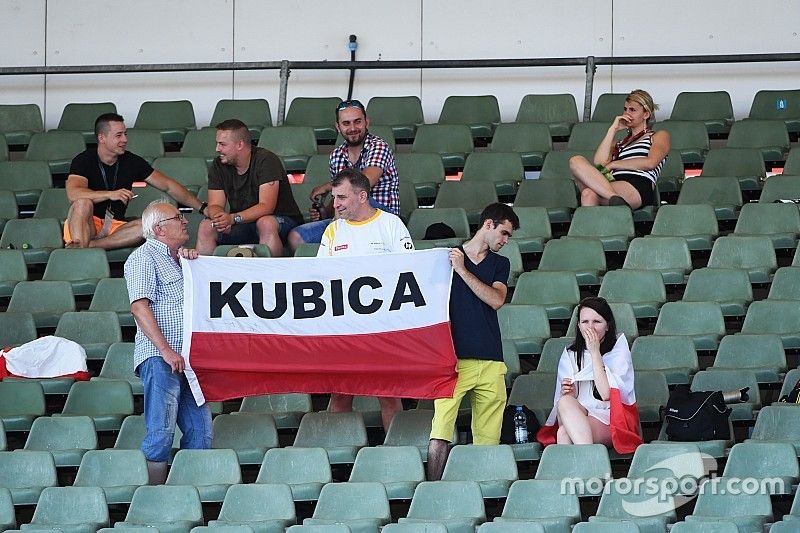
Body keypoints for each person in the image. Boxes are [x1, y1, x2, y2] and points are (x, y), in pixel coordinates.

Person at [427, 203, 520, 481]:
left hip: (491, 359)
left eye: (509, 237)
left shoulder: (500, 263)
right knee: (441, 429)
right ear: (488, 224)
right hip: (453, 360)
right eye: (503, 233)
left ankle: (482, 494)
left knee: (488, 439)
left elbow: (496, 299)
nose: (505, 241)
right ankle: (431, 491)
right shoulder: (445, 256)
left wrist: (462, 270)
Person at [317, 168, 414, 430]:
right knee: (339, 394)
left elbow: (409, 274)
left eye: (341, 198)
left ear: (362, 196)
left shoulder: (391, 224)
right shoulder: (332, 231)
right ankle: (336, 458)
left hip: (382, 327)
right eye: (334, 198)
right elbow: (320, 278)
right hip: (343, 328)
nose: (335, 204)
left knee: (388, 394)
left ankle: (397, 457)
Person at [124, 201, 212, 484]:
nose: (185, 222)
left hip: (189, 360)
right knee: (161, 432)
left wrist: (192, 262)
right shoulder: (143, 257)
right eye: (179, 218)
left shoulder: (181, 258)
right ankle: (154, 499)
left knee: (201, 433)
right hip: (161, 357)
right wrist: (165, 350)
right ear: (159, 228)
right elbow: (139, 307)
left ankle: (189, 497)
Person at [65, 113, 206, 249]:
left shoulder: (131, 161)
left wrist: (202, 208)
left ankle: (89, 246)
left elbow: (168, 186)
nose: (125, 140)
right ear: (102, 138)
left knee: (146, 226)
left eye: (125, 134)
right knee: (82, 203)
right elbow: (73, 194)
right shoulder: (83, 160)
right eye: (118, 135)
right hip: (87, 224)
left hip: (114, 227)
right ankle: (80, 252)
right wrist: (110, 194)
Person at [287, 99, 399, 252]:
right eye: (346, 123)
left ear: (367, 122)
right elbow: (339, 197)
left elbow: (365, 182)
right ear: (338, 127)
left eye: (357, 122)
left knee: (361, 199)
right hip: (346, 219)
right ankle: (322, 274)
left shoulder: (379, 146)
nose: (352, 128)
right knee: (296, 236)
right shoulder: (336, 155)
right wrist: (325, 212)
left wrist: (328, 186)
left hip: (382, 218)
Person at [537, 296, 642, 453]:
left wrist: (594, 352)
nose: (590, 327)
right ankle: (588, 466)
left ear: (607, 325)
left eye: (597, 322)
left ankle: (587, 466)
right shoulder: (571, 354)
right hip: (581, 415)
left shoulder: (618, 351)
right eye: (585, 322)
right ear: (578, 326)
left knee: (564, 433)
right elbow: (563, 407)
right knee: (564, 405)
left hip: (610, 418)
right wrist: (571, 392)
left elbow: (606, 394)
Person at [195, 119, 303, 257]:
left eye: (222, 144)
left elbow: (266, 206)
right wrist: (220, 219)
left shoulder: (266, 159)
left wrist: (233, 218)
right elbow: (215, 204)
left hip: (281, 221)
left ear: (240, 144)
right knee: (206, 226)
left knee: (265, 223)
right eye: (217, 144)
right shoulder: (219, 164)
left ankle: (273, 276)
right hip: (243, 222)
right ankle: (207, 277)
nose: (217, 149)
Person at [569, 89, 670, 209]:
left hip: (637, 184)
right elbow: (599, 164)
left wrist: (614, 165)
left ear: (646, 114)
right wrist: (613, 129)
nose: (627, 114)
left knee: (589, 193)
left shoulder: (658, 135)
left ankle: (615, 200)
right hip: (611, 183)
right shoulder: (618, 143)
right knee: (577, 166)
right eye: (625, 109)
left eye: (632, 110)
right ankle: (615, 200)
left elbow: (650, 163)